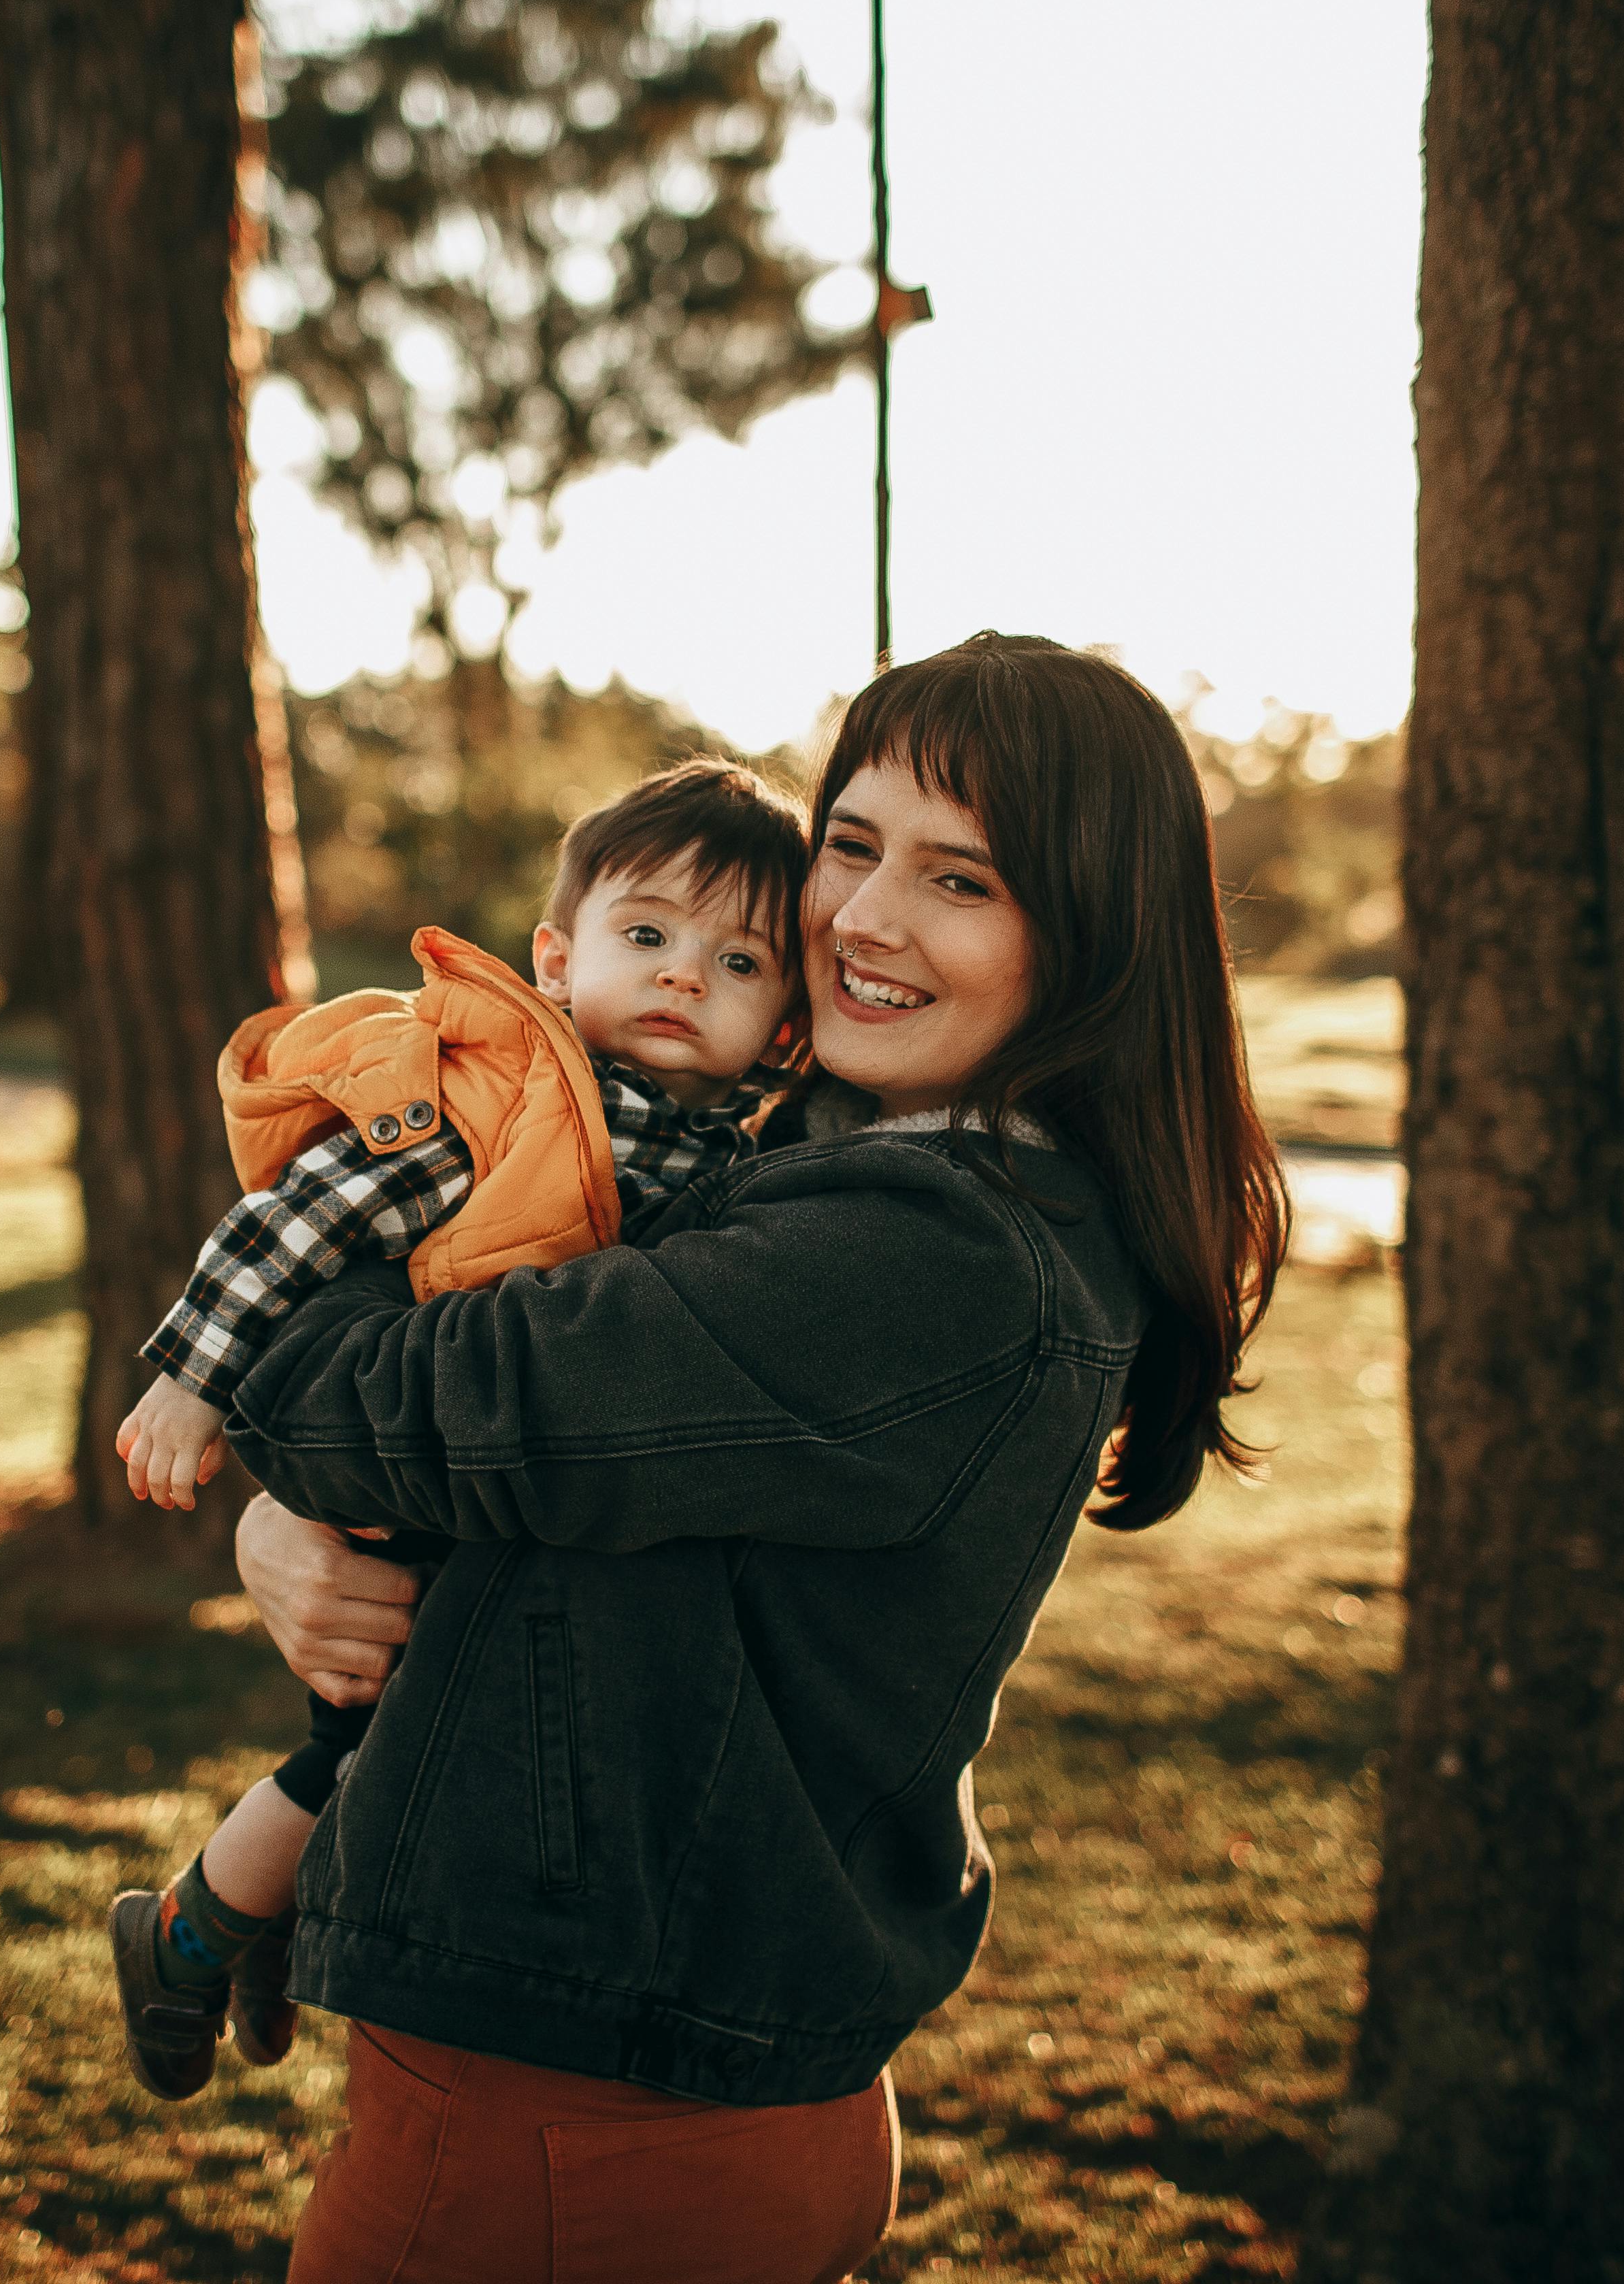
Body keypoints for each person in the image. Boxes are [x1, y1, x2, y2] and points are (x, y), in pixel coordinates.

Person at [217, 633, 1290, 2284]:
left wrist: (275, 1432)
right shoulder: (841, 1163)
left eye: (963, 880)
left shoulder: (933, 1250)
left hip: (589, 2132)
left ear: (1087, 941)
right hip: (641, 2083)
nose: (863, 917)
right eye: (850, 844)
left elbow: (407, 1405)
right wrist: (287, 1523)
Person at [105, 761, 813, 2100]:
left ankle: (259, 1922)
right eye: (647, 937)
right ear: (558, 955)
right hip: (420, 1477)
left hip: (519, 1492)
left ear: (784, 1024)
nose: (681, 977)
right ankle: (187, 1937)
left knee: (391, 1755)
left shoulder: (746, 1153)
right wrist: (193, 1376)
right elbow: (299, 1218)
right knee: (353, 1752)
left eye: (738, 961)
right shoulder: (511, 1103)